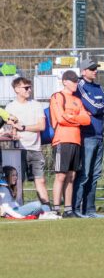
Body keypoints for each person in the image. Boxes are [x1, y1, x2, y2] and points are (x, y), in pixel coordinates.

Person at [71, 58, 104, 218]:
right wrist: (98, 106)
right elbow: (95, 107)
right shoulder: (80, 86)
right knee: (84, 174)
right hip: (87, 136)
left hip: (99, 135)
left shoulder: (98, 87)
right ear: (83, 71)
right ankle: (76, 209)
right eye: (91, 69)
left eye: (96, 68)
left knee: (95, 175)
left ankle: (89, 210)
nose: (95, 71)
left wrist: (97, 107)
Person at [49, 70, 93, 218]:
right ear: (65, 82)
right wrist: (77, 118)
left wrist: (72, 117)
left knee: (71, 176)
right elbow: (61, 118)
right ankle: (56, 208)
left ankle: (68, 209)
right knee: (60, 176)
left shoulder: (77, 100)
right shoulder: (57, 96)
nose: (76, 83)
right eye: (73, 81)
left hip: (76, 141)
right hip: (62, 140)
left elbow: (86, 120)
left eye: (77, 81)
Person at [5, 76, 51, 209]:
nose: (29, 90)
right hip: (18, 150)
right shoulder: (10, 106)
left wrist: (23, 127)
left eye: (30, 87)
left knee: (40, 180)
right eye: (26, 88)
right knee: (17, 181)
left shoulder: (36, 105)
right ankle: (17, 209)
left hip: (35, 149)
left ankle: (47, 209)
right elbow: (9, 127)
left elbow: (41, 126)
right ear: (17, 89)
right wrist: (12, 132)